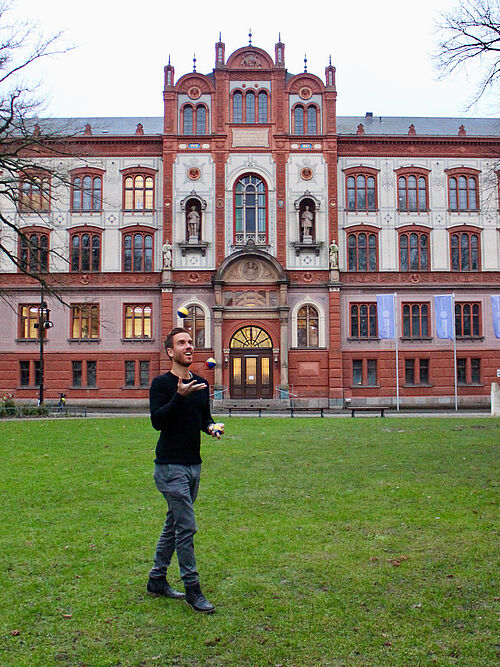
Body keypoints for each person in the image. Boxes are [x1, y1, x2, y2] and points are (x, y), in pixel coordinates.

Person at [147, 327, 223, 613]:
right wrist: (178, 396)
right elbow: (158, 421)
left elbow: (204, 417)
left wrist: (212, 427)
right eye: (182, 343)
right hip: (169, 467)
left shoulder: (202, 384)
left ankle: (156, 579)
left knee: (174, 524)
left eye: (190, 342)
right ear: (170, 352)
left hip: (194, 466)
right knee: (187, 527)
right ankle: (193, 589)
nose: (189, 346)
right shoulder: (161, 385)